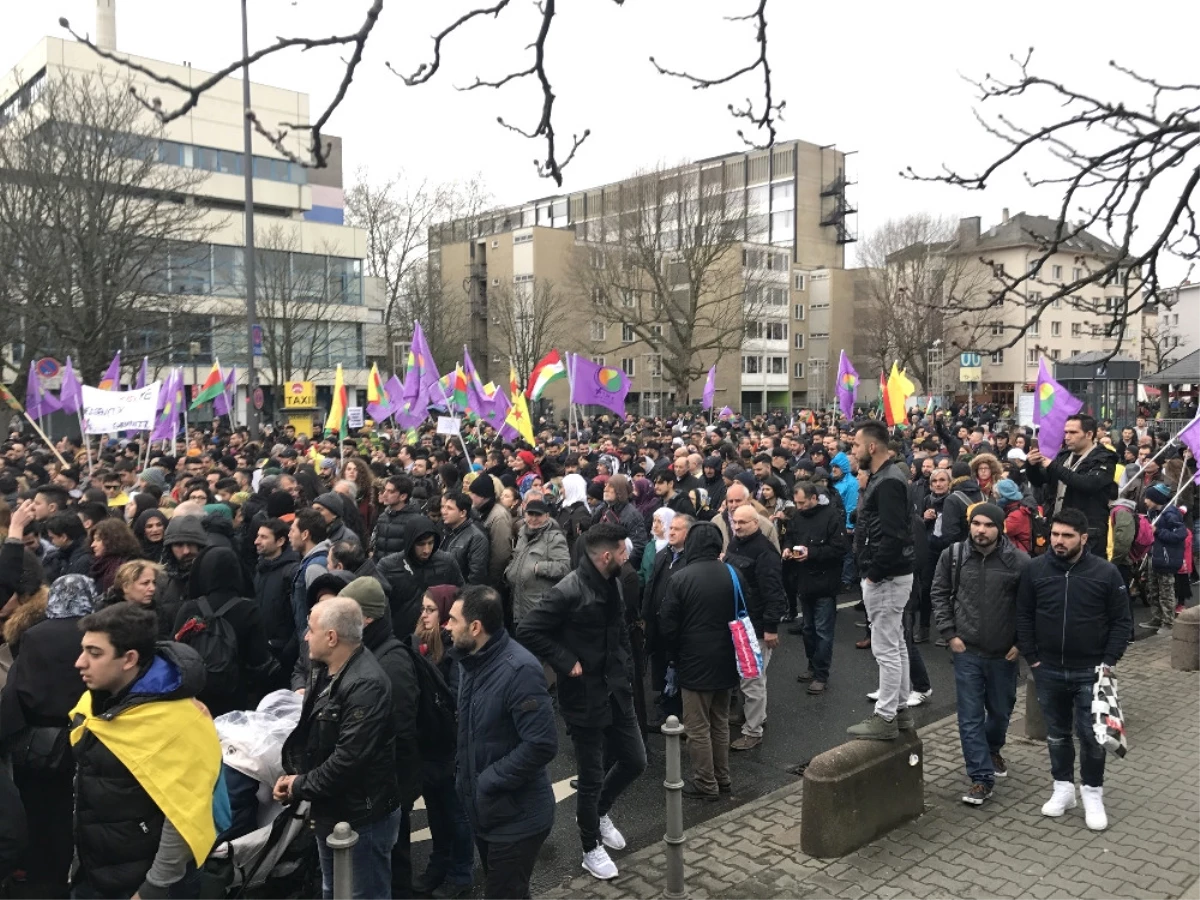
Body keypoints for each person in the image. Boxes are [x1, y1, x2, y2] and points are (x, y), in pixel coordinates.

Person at [518, 524, 647, 882]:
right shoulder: (568, 590)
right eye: (622, 552)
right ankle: (590, 847)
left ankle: (598, 812)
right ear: (607, 556)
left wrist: (625, 667)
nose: (627, 557)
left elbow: (619, 630)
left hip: (615, 689)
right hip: (584, 696)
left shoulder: (615, 582)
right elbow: (528, 629)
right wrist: (563, 659)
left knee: (636, 760)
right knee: (590, 777)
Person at [70, 603, 222, 900]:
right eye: (83, 649)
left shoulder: (179, 722)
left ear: (129, 659)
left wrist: (154, 887)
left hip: (145, 885)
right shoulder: (97, 704)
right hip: (94, 873)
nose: (80, 662)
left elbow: (183, 816)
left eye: (95, 653)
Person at [278, 597, 403, 900]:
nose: (306, 636)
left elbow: (348, 761)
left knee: (361, 894)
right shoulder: (323, 669)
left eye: (310, 629)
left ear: (331, 637)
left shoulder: (366, 685)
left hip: (362, 817)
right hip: (334, 809)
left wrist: (299, 786)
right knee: (334, 891)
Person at [1016, 508, 1132, 831]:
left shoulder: (1106, 573)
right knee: (1056, 734)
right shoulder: (1035, 570)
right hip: (1048, 668)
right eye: (1054, 534)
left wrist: (1108, 661)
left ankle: (1092, 792)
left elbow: (1122, 622)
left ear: (1083, 538)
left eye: (1067, 536)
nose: (1058, 541)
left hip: (1091, 670)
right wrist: (1033, 657)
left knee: (1092, 736)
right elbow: (1023, 615)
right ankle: (1063, 788)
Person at [449, 586, 557, 900]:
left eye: (453, 620)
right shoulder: (471, 661)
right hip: (490, 812)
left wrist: (487, 781)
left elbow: (541, 744)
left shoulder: (519, 670)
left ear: (475, 627)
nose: (447, 626)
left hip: (517, 818)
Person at [0, 575, 99, 900]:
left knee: (39, 809)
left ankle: (39, 870)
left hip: (40, 743)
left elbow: (19, 689)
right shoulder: (97, 635)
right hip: (88, 733)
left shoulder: (36, 635)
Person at [931, 504, 1030, 806]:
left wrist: (1021, 643)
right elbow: (938, 592)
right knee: (970, 716)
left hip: (1004, 654)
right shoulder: (954, 555)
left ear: (999, 528)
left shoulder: (1019, 562)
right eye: (976, 524)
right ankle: (980, 778)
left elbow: (1030, 607)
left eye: (988, 525)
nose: (981, 530)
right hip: (967, 652)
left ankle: (992, 748)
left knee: (1000, 710)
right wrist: (950, 634)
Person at [339, 577, 424, 900]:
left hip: (393, 781)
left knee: (394, 855)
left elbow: (400, 730)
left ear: (367, 618)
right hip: (384, 781)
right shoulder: (371, 651)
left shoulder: (390, 661)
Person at [656, 521, 741, 800]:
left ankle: (706, 783)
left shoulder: (681, 577)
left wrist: (673, 655)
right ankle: (723, 777)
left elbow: (668, 624)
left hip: (694, 660)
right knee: (719, 722)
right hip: (728, 658)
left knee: (696, 726)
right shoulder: (732, 573)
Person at [848, 420, 917, 741]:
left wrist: (873, 573)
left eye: (855, 446)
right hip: (890, 575)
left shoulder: (888, 481)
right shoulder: (882, 478)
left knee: (886, 648)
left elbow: (894, 535)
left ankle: (885, 716)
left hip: (887, 577)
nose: (853, 451)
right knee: (897, 644)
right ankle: (900, 710)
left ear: (872, 447)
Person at [410, 587, 473, 899]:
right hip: (428, 746)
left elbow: (455, 700)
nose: (424, 614)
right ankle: (440, 862)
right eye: (423, 608)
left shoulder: (454, 651)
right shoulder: (419, 642)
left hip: (449, 747)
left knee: (455, 813)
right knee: (435, 809)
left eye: (432, 609)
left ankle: (461, 872)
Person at [172, 546, 278, 717]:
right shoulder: (248, 609)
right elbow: (258, 660)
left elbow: (175, 651)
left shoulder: (189, 608)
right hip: (235, 699)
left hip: (194, 700)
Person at [724, 505, 784, 750]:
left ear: (756, 523)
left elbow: (773, 592)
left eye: (743, 523)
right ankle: (750, 716)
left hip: (755, 627)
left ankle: (753, 730)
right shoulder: (734, 545)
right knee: (744, 677)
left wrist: (770, 628)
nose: (737, 526)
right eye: (735, 522)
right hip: (738, 623)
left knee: (752, 678)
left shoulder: (765, 552)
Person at [784, 481, 847, 695]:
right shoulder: (796, 517)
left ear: (813, 498)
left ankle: (821, 674)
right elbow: (790, 537)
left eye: (802, 502)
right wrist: (786, 549)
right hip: (804, 582)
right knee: (808, 630)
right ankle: (812, 665)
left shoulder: (831, 517)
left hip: (824, 582)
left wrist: (811, 553)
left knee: (823, 631)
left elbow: (839, 549)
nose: (799, 506)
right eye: (797, 503)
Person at [1026, 414, 1118, 556]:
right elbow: (1039, 481)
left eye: (1073, 432)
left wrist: (1053, 466)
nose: (1067, 437)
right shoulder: (1064, 455)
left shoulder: (1104, 458)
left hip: (1087, 533)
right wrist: (1031, 466)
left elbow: (1088, 484)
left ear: (1089, 434)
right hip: (1057, 529)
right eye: (1066, 432)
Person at [378, 516, 465, 638]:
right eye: (421, 544)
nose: (427, 550)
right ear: (410, 543)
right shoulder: (388, 566)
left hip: (438, 636)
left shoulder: (447, 562)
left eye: (430, 543)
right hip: (401, 635)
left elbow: (461, 594)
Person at [505, 497, 571, 627]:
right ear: (524, 514)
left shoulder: (555, 538)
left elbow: (565, 567)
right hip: (517, 603)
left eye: (538, 515)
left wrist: (538, 567)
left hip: (537, 608)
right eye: (530, 514)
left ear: (546, 516)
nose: (534, 519)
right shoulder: (522, 534)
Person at [253, 518, 301, 675]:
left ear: (280, 541)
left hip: (283, 656)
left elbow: (299, 617)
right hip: (264, 653)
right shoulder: (261, 569)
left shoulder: (291, 572)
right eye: (258, 536)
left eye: (264, 537)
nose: (257, 541)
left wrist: (287, 652)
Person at [1140, 482, 1187, 632]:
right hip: (1154, 555)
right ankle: (1157, 618)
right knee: (1153, 590)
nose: (1145, 501)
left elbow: (1180, 535)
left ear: (1156, 499)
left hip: (1166, 558)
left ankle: (1168, 622)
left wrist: (1158, 531)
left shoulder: (1171, 514)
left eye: (1147, 498)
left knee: (1166, 591)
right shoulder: (1153, 513)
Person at [289, 508, 332, 642]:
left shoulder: (315, 567)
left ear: (305, 534)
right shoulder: (313, 561)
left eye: (292, 530)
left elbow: (323, 612)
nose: (289, 534)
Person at [467, 474, 513, 588]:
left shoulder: (498, 517)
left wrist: (491, 582)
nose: (470, 496)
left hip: (492, 581)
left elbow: (501, 554)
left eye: (473, 493)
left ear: (482, 497)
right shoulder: (481, 511)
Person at [440, 493, 490, 586]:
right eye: (443, 507)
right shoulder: (446, 531)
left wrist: (462, 595)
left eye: (450, 508)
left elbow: (476, 576)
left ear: (463, 513)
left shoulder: (476, 537)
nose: (444, 511)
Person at [88, 519, 143, 593]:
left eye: (98, 540)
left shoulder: (127, 566)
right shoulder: (98, 565)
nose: (93, 545)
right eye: (93, 540)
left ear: (112, 540)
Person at [372, 475, 420, 560]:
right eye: (385, 490)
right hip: (380, 568)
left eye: (390, 491)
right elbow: (377, 547)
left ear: (403, 496)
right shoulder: (383, 517)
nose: (384, 494)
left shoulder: (414, 521)